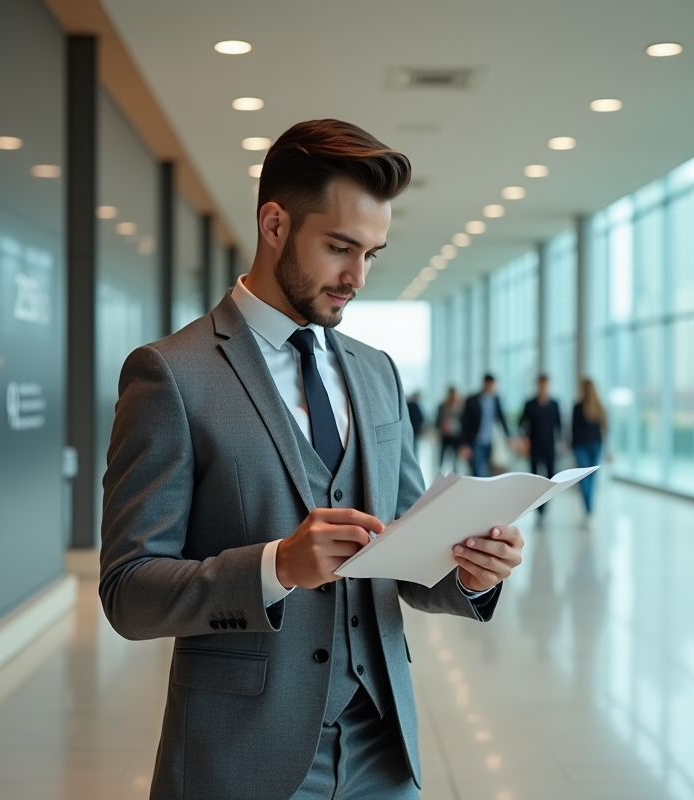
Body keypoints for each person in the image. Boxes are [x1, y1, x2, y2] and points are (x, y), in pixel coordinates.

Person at [99, 119, 525, 800]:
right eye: (339, 247)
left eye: (372, 253)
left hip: (383, 752)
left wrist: (471, 571)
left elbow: (410, 556)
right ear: (274, 224)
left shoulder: (377, 371)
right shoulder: (170, 375)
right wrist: (276, 567)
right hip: (243, 757)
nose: (357, 277)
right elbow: (128, 593)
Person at [519, 375, 562, 516]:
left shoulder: (554, 404)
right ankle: (539, 508)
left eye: (546, 384)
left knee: (551, 477)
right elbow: (521, 423)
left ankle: (545, 504)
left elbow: (559, 425)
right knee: (535, 477)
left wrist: (561, 443)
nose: (544, 387)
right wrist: (524, 439)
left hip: (549, 446)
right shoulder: (530, 404)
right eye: (541, 384)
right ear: (538, 385)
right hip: (535, 446)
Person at [459, 375, 513, 477]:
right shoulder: (472, 400)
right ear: (484, 384)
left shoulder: (495, 400)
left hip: (489, 442)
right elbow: (465, 423)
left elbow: (502, 419)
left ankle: (483, 491)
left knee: (487, 471)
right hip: (475, 442)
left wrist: (509, 437)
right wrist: (464, 444)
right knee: (476, 471)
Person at [572, 378, 608, 516]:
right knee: (588, 478)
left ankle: (589, 508)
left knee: (587, 478)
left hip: (589, 445)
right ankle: (589, 508)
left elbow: (604, 429)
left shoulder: (598, 407)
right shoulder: (579, 406)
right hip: (587, 446)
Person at [435, 387, 463, 473]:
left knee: (454, 456)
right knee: (442, 454)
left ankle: (455, 473)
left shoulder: (459, 406)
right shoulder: (442, 406)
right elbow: (438, 420)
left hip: (455, 434)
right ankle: (440, 473)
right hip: (445, 434)